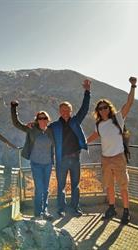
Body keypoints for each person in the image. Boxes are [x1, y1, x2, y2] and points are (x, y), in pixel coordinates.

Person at [87, 76, 137, 224]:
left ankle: (126, 212)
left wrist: (133, 86)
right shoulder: (99, 124)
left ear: (109, 108)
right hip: (105, 158)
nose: (103, 110)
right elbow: (94, 136)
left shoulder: (118, 118)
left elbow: (129, 103)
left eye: (105, 107)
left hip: (118, 157)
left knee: (123, 185)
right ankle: (111, 208)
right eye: (100, 108)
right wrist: (81, 143)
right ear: (98, 111)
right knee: (108, 185)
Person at [50, 79, 91, 217]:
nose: (65, 112)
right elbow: (42, 129)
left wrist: (87, 92)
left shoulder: (75, 121)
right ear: (60, 112)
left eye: (67, 110)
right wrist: (33, 125)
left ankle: (74, 208)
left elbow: (84, 109)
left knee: (75, 185)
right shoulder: (55, 126)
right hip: (61, 160)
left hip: (75, 159)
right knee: (61, 186)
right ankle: (61, 208)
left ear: (70, 111)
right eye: (62, 110)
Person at [11, 101, 55, 220]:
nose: (42, 120)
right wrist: (13, 107)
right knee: (39, 188)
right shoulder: (32, 129)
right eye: (40, 118)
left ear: (47, 119)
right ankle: (37, 213)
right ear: (37, 120)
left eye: (45, 118)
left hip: (48, 164)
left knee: (45, 189)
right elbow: (16, 124)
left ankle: (44, 211)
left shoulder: (51, 131)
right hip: (36, 164)